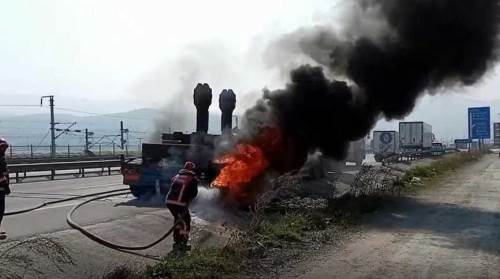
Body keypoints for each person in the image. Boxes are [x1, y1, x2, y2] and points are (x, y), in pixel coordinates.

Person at [165, 161, 199, 251]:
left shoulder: (177, 176)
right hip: (179, 203)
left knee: (178, 220)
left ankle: (177, 240)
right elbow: (193, 194)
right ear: (191, 169)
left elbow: (174, 185)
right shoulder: (192, 179)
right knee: (186, 221)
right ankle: (184, 240)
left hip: (169, 202)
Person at [0, 138, 11, 241]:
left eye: (5, 147)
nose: (4, 149)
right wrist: (6, 187)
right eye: (2, 147)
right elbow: (1, 176)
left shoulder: (1, 157)